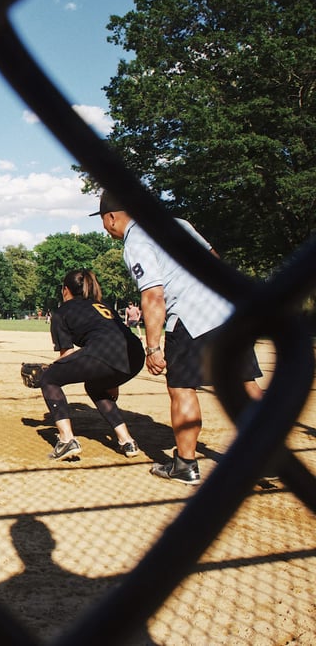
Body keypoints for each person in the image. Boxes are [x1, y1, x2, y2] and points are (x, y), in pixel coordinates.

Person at [94, 190, 263, 485]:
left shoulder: (135, 240)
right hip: (227, 311)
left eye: (104, 222)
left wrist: (153, 347)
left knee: (182, 388)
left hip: (189, 318)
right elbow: (214, 261)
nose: (106, 229)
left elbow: (153, 295)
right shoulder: (178, 223)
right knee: (246, 382)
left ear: (111, 217)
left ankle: (185, 464)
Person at [40, 269, 145, 461]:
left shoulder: (62, 312)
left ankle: (66, 440)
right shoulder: (103, 306)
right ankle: (126, 440)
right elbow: (115, 338)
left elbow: (67, 355)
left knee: (49, 379)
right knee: (95, 385)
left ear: (65, 290)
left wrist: (47, 371)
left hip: (103, 354)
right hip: (136, 355)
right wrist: (112, 382)